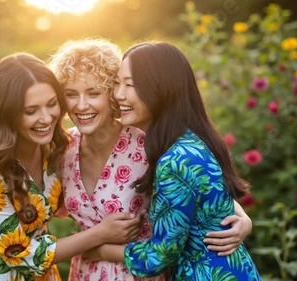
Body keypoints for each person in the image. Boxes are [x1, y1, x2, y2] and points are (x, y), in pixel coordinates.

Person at [0, 40, 255, 280]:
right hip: (86, 273)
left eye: (93, 93)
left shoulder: (146, 144)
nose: (81, 105)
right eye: (70, 95)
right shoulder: (61, 149)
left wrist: (241, 218)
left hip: (143, 273)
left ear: (113, 93)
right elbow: (33, 203)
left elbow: (195, 188)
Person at [0, 53, 143, 281]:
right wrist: (100, 234)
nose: (46, 118)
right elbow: (24, 256)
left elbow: (69, 204)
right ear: (7, 113)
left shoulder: (54, 149)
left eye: (52, 105)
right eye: (31, 111)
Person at [83, 42, 262, 280]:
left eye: (130, 85)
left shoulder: (176, 161)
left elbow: (160, 255)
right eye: (117, 83)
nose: (118, 95)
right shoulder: (190, 141)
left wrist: (101, 250)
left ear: (161, 89)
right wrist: (243, 218)